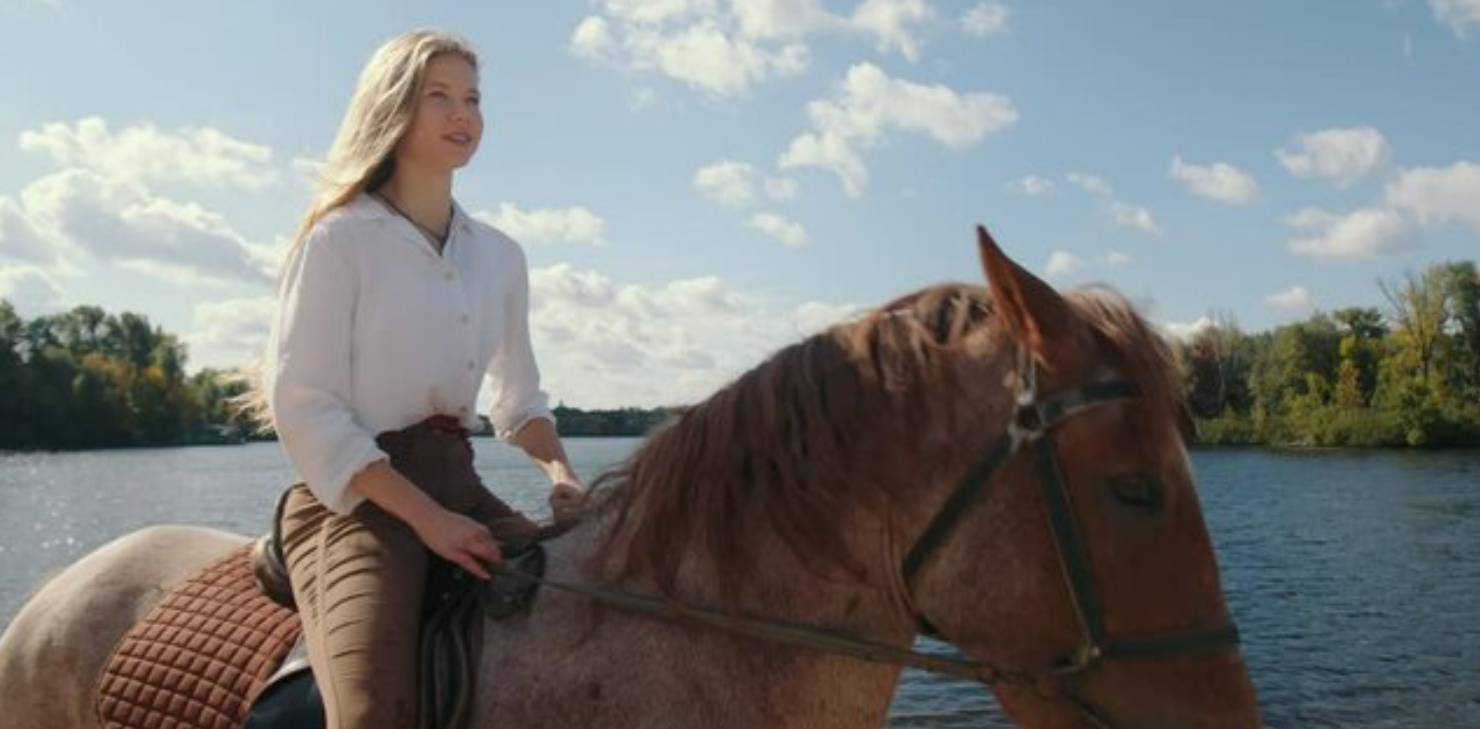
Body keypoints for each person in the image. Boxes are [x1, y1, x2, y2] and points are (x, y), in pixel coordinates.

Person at [244, 29, 584, 728]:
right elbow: (305, 405)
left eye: (473, 98)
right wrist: (427, 518)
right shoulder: (338, 239)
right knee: (371, 714)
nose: (464, 114)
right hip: (357, 501)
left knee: (593, 610)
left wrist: (560, 476)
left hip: (461, 483)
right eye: (441, 97)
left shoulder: (501, 255)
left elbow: (518, 398)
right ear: (395, 108)